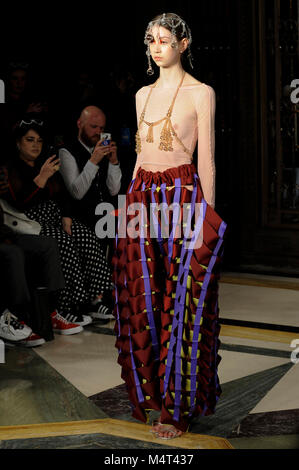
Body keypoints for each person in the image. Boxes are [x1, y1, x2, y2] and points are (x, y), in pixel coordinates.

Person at [112, 13, 228, 440]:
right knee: (145, 295)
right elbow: (140, 158)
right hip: (143, 198)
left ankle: (178, 408)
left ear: (184, 43)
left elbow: (207, 161)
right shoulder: (142, 95)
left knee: (183, 299)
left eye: (164, 39)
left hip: (182, 196)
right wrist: (127, 206)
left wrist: (206, 221)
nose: (156, 47)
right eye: (150, 40)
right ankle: (154, 397)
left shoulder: (201, 93)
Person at [1, 118, 114, 324]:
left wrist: (66, 216)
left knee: (85, 235)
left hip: (54, 218)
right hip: (27, 222)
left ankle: (94, 299)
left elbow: (63, 194)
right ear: (19, 143)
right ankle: (67, 305)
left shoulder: (45, 161)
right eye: (30, 140)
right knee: (63, 242)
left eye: (39, 140)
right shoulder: (11, 167)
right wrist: (41, 178)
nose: (35, 145)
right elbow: (19, 203)